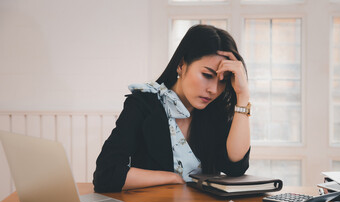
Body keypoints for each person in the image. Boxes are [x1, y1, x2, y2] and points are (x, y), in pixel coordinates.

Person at [93, 24, 251, 193]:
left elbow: (235, 167)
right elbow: (106, 174)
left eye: (223, 81)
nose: (213, 89)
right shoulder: (143, 103)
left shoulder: (214, 112)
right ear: (181, 65)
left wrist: (242, 96)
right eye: (207, 75)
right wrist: (172, 178)